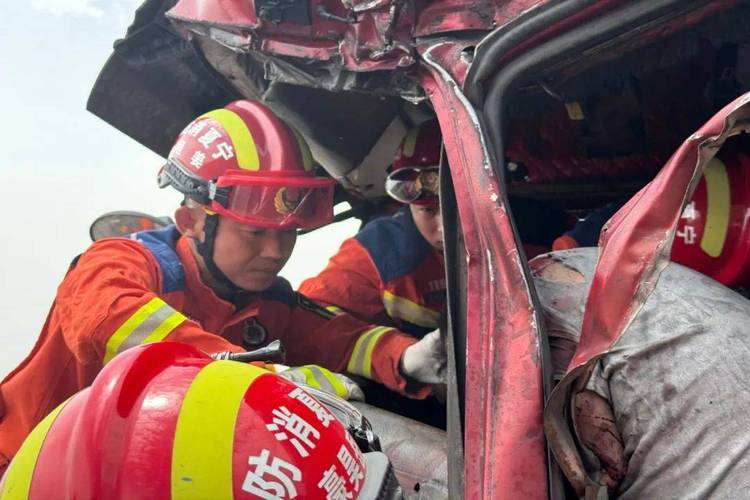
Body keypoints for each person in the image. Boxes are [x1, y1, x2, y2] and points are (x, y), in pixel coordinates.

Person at [0, 100, 445, 473]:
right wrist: (267, 381)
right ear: (191, 222)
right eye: (255, 233)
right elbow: (110, 320)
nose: (276, 251)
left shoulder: (268, 299)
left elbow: (334, 335)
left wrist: (407, 357)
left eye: (287, 233)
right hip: (23, 465)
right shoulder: (122, 260)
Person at [300, 120, 446, 339]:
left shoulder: (516, 230)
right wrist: (399, 354)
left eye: (460, 212)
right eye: (427, 210)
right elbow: (308, 317)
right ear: (408, 205)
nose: (444, 228)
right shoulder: (382, 251)